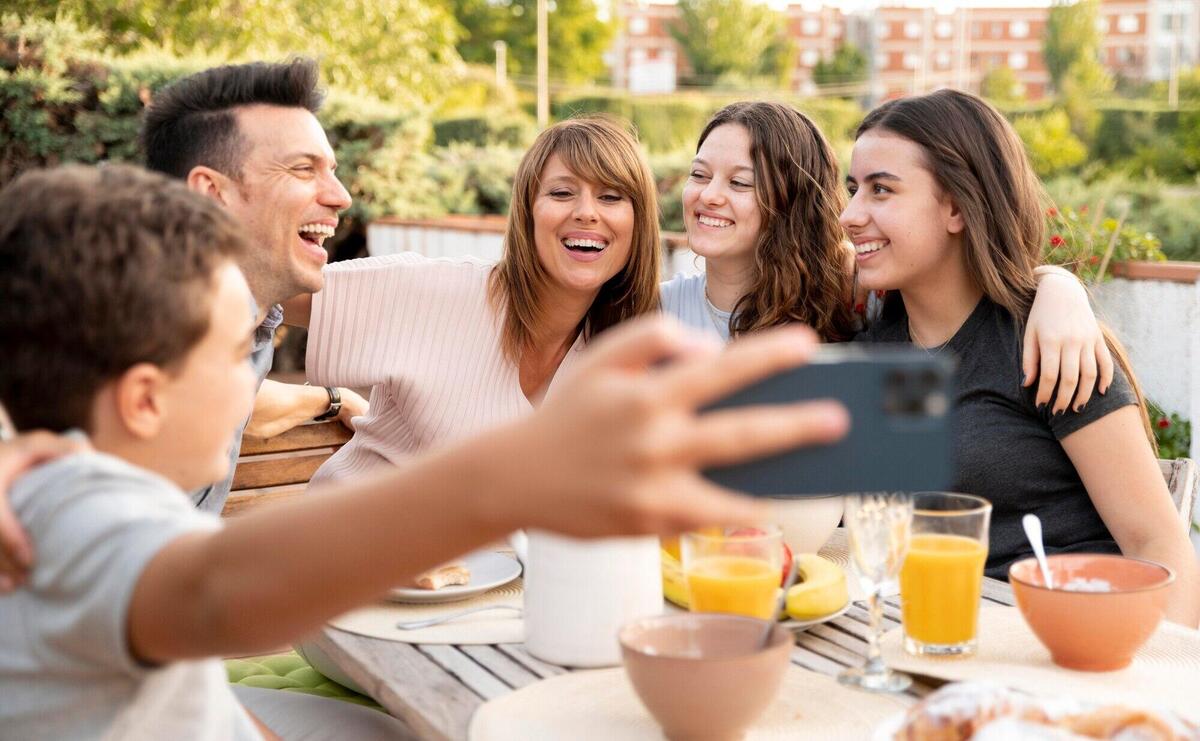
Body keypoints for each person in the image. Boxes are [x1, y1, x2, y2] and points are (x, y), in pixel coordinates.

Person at [0, 164, 849, 738]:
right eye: (237, 352)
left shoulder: (56, 486)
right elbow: (223, 591)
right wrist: (522, 473)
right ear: (143, 398)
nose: (258, 383)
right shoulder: (70, 515)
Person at [841, 90, 1198, 625]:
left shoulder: (1047, 343)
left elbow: (1160, 548)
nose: (849, 215)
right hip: (938, 639)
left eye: (881, 191)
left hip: (1072, 641)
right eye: (852, 190)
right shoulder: (870, 353)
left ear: (958, 206)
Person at [662, 101, 1116, 414]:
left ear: (791, 201)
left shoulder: (846, 293)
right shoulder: (655, 310)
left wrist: (1060, 286)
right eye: (698, 174)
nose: (709, 195)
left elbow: (962, 282)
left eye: (740, 183)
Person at [286, 115, 662, 485]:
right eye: (562, 193)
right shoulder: (440, 291)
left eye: (610, 197)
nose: (586, 213)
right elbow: (264, 289)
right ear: (528, 210)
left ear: (638, 221)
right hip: (351, 538)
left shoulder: (621, 349)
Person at [140, 58, 368, 513]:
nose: (341, 196)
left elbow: (236, 396)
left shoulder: (239, 323)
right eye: (304, 169)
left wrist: (330, 399)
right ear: (210, 194)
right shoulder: (135, 331)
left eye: (332, 169)